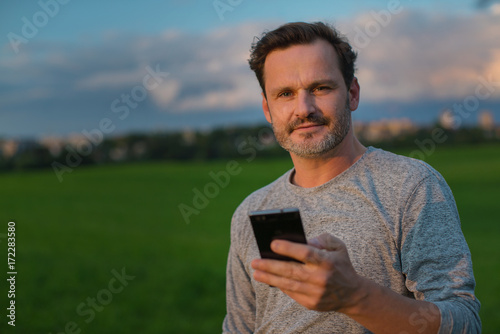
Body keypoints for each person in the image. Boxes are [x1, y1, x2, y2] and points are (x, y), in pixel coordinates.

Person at [222, 21, 481, 333]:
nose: (303, 108)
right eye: (285, 93)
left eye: (320, 88)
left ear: (352, 93)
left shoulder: (411, 186)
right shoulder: (251, 211)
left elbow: (464, 322)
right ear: (268, 108)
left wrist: (356, 297)